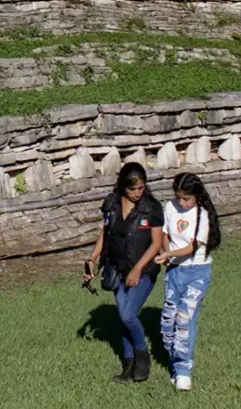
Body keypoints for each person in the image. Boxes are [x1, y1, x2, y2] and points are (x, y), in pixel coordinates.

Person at [84, 162, 164, 384]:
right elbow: (105, 234)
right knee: (123, 318)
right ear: (123, 187)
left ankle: (142, 354)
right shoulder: (111, 204)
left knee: (128, 315)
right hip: (117, 269)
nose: (138, 193)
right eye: (133, 189)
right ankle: (128, 366)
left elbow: (156, 243)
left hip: (145, 271)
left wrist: (138, 268)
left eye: (141, 188)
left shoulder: (153, 208)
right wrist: (92, 258)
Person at [154, 172, 222, 392]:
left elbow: (193, 247)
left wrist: (168, 255)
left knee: (185, 319)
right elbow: (165, 233)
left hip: (197, 271)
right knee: (168, 322)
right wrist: (167, 253)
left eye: (187, 199)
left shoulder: (202, 215)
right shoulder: (170, 207)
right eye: (179, 197)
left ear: (197, 196)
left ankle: (184, 371)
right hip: (175, 271)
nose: (182, 203)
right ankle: (175, 363)